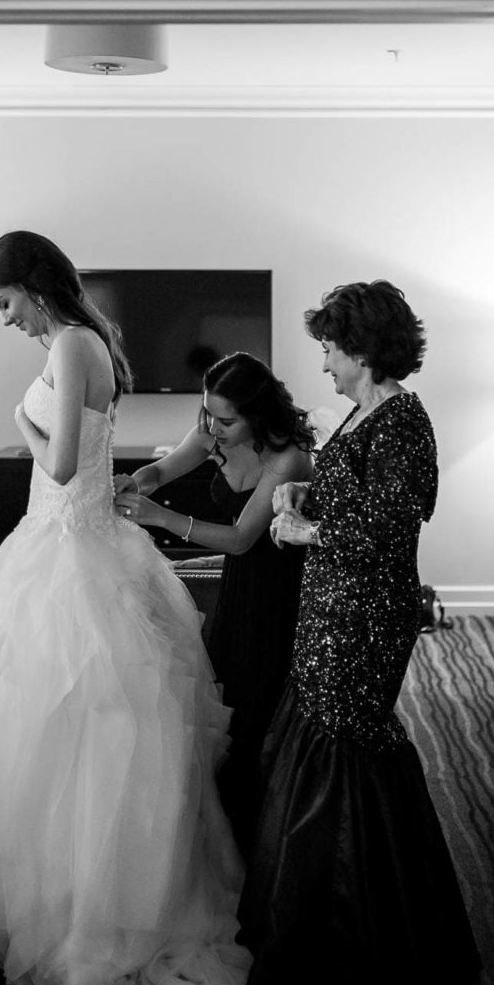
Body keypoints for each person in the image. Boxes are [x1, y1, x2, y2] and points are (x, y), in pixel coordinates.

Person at [0, 231, 272, 985]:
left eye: (1, 302)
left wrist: (19, 420)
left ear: (32, 288)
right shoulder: (81, 339)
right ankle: (59, 891)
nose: (1, 318)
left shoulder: (74, 342)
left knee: (71, 723)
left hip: (71, 545)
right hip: (66, 544)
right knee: (50, 723)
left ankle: (90, 907)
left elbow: (69, 464)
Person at [237, 280, 481, 985]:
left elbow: (391, 527)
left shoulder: (403, 420)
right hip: (332, 607)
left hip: (366, 615)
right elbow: (356, 498)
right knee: (331, 738)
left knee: (346, 745)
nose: (325, 364)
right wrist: (299, 498)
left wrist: (304, 531)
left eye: (331, 349)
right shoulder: (366, 414)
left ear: (366, 349)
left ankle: (362, 943)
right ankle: (328, 926)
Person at [113, 352, 315, 856]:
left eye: (226, 420)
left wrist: (161, 518)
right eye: (208, 414)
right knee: (225, 702)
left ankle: (263, 841)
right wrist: (134, 483)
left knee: (258, 713)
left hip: (279, 594)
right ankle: (227, 835)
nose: (213, 428)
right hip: (239, 589)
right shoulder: (210, 432)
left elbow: (242, 538)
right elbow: (162, 469)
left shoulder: (288, 458)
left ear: (258, 414)